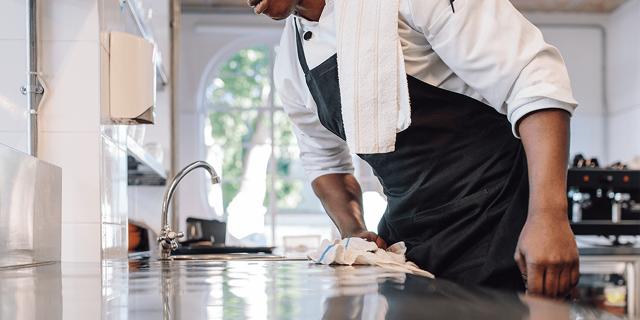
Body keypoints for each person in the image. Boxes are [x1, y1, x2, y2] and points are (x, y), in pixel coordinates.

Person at [248, 0, 580, 297]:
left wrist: (548, 215)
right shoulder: (290, 65)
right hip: (410, 246)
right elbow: (324, 165)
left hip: (500, 223)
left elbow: (533, 79)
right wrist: (354, 232)